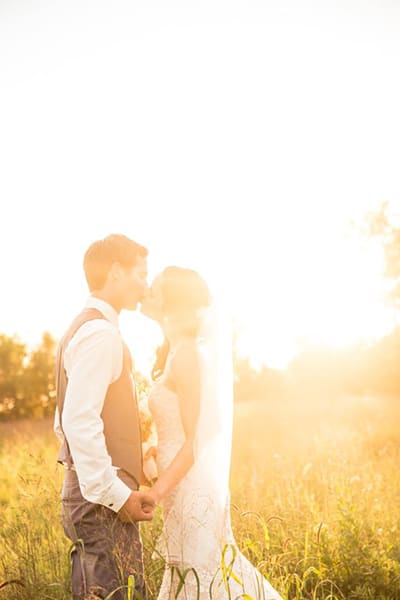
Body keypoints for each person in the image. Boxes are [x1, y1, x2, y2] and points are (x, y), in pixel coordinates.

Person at [141, 266, 283, 599]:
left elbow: (198, 439)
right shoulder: (177, 351)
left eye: (155, 287)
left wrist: (157, 492)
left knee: (201, 573)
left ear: (172, 302)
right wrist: (154, 451)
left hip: (190, 489)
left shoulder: (187, 354)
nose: (147, 289)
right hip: (178, 485)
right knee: (192, 572)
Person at [54, 234, 155, 600]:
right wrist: (117, 495)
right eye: (141, 274)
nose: (145, 285)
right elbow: (79, 421)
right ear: (115, 272)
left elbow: (61, 419)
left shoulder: (80, 328)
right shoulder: (100, 334)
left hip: (88, 494)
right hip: (100, 502)